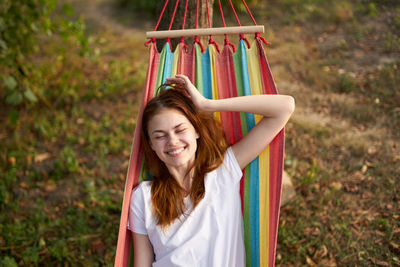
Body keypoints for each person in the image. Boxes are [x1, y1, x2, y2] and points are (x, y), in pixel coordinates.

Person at [127, 74, 295, 267]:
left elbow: (284, 107)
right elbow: (142, 262)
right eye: (160, 136)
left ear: (196, 131)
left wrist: (208, 105)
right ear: (151, 145)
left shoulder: (223, 172)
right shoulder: (143, 196)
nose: (172, 141)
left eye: (180, 130)